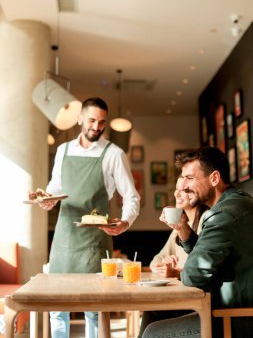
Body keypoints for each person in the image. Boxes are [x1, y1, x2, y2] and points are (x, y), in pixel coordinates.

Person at [39, 97, 140, 338]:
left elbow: (132, 196)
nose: (96, 127)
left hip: (95, 242)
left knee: (94, 310)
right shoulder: (63, 150)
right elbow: (55, 187)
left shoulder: (114, 153)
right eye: (92, 120)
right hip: (63, 240)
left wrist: (125, 222)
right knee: (57, 309)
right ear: (80, 118)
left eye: (102, 122)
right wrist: (48, 199)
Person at [143, 147, 253, 338]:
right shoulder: (237, 203)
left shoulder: (222, 215)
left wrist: (181, 270)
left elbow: (194, 275)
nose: (183, 186)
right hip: (228, 309)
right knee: (154, 313)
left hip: (234, 319)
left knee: (153, 333)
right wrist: (184, 231)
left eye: (190, 178)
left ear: (214, 178)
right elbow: (207, 259)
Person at [138, 177, 208, 337]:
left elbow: (205, 265)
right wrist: (165, 263)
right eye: (176, 189)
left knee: (152, 325)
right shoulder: (178, 227)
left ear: (195, 192)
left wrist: (176, 272)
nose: (177, 193)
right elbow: (155, 261)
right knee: (152, 310)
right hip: (185, 295)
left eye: (184, 190)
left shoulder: (206, 220)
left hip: (198, 299)